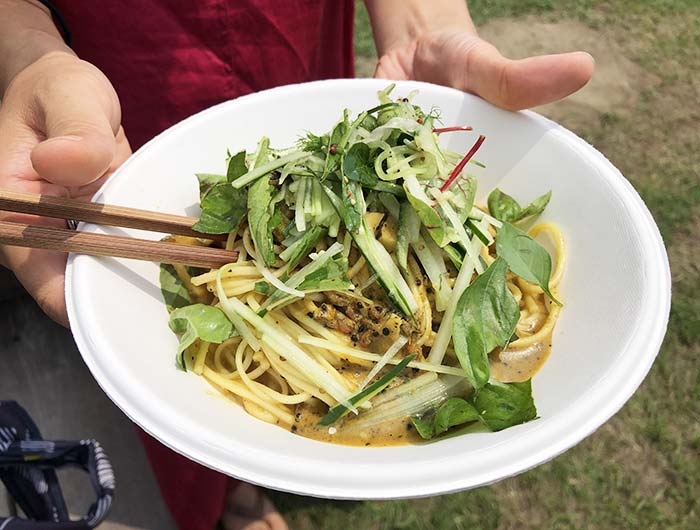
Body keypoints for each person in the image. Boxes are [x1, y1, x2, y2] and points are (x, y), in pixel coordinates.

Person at [0, 1, 594, 529]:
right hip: (128, 119)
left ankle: (267, 480)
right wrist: (32, 56)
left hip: (300, 66)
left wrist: (424, 23)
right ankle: (228, 497)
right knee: (191, 411)